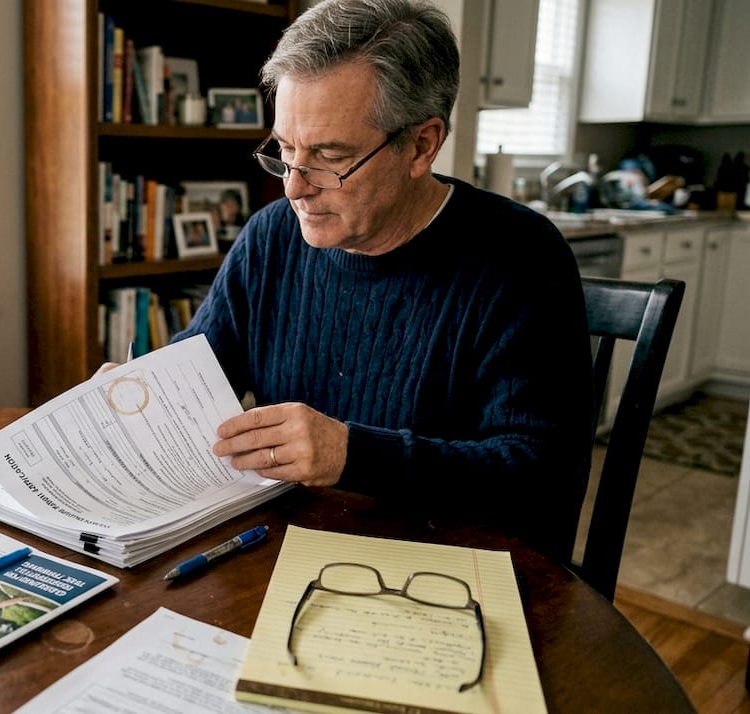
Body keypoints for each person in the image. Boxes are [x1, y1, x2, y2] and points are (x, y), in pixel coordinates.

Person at [149, 0, 590, 562]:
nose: (294, 189)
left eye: (329, 157)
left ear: (422, 145)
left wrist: (351, 454)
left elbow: (538, 476)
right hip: (288, 549)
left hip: (448, 568)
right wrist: (140, 397)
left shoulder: (521, 259)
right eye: (285, 151)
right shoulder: (271, 238)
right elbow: (195, 377)